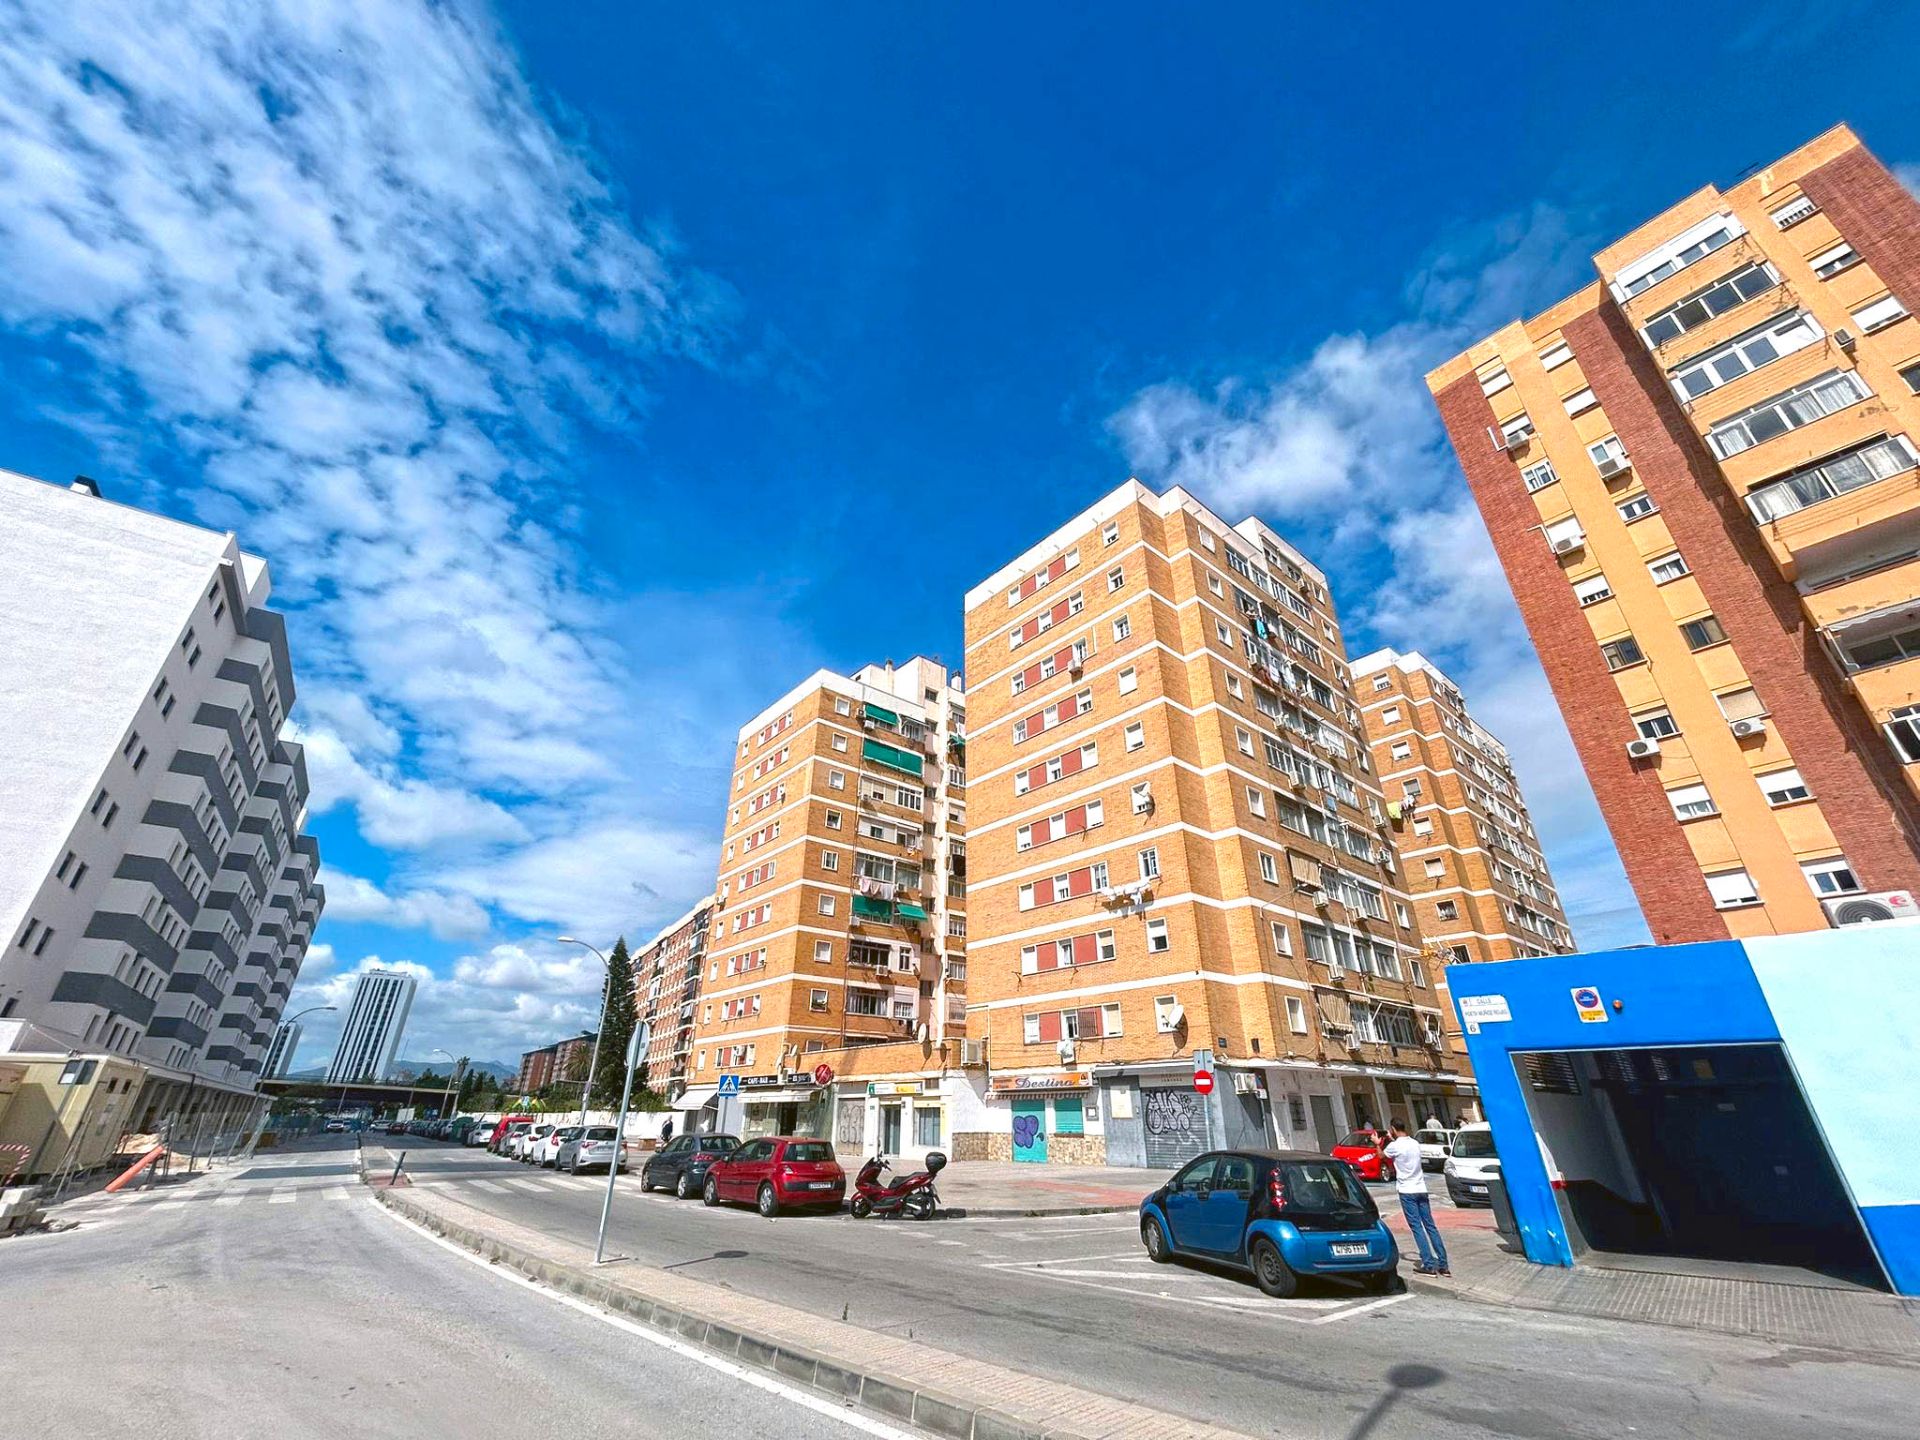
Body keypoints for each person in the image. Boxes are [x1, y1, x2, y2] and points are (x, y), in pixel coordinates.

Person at [1380, 1119, 1449, 1276]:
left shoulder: (1394, 1146)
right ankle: (1443, 1264)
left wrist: (1378, 1143)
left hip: (1407, 1191)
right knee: (1430, 1226)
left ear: (1392, 1129)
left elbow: (1380, 1155)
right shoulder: (1414, 1143)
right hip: (1421, 1189)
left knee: (1417, 1227)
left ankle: (1428, 1264)